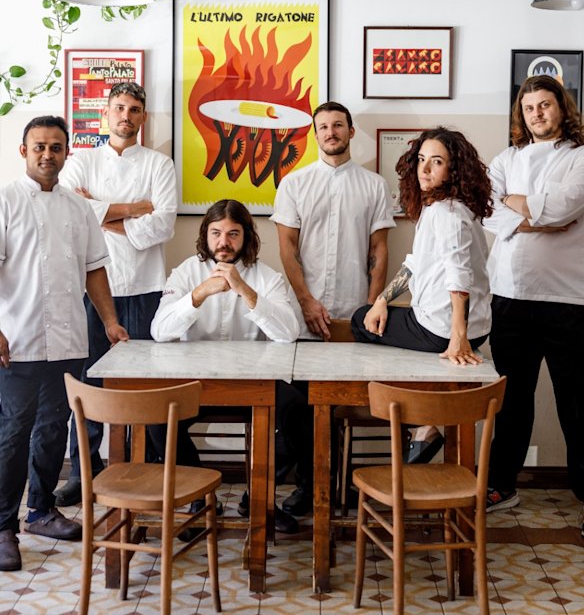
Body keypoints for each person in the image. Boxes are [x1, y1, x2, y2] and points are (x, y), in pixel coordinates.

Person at [0, 116, 128, 572]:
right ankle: (3, 526)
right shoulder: (6, 200)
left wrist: (110, 322)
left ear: (67, 153)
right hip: (17, 339)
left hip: (69, 339)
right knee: (13, 432)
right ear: (24, 151)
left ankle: (40, 511)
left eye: (56, 147)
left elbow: (95, 269)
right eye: (39, 146)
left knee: (55, 427)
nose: (47, 154)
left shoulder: (78, 207)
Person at [54, 82, 177, 508]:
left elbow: (163, 226)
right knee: (87, 382)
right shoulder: (81, 161)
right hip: (89, 288)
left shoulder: (160, 164)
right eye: (120, 107)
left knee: (148, 385)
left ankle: (156, 469)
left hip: (145, 287)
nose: (127, 115)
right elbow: (71, 212)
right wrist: (134, 208)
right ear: (106, 114)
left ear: (144, 117)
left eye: (135, 109)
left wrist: (99, 211)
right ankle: (83, 472)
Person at [271, 101, 395, 515]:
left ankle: (341, 489)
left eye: (338, 125)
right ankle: (311, 488)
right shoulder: (294, 183)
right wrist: (306, 301)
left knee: (344, 401)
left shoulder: (374, 185)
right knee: (303, 407)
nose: (330, 132)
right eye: (322, 126)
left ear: (350, 131)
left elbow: (379, 250)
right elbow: (286, 248)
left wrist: (371, 306)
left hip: (353, 315)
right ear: (314, 134)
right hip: (304, 314)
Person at [150, 197, 302, 534]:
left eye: (233, 234)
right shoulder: (186, 272)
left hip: (254, 385)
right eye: (216, 233)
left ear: (246, 237)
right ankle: (200, 497)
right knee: (157, 416)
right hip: (196, 384)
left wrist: (244, 289)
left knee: (298, 412)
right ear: (205, 235)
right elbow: (159, 331)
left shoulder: (267, 277)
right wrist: (199, 294)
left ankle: (258, 497)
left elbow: (288, 333)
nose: (224, 242)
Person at [352, 127, 493, 457]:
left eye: (437, 161)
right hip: (471, 326)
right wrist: (382, 300)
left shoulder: (447, 213)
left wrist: (458, 339)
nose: (425, 169)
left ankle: (422, 425)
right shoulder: (446, 208)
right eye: (421, 159)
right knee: (375, 316)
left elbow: (459, 276)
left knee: (360, 321)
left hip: (442, 329)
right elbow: (415, 264)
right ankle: (424, 423)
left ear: (454, 169)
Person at [484, 75, 584, 515]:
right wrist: (539, 216)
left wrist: (517, 206)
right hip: (509, 296)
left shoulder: (580, 157)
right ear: (520, 115)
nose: (537, 114)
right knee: (510, 401)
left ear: (562, 107)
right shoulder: (506, 159)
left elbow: (564, 208)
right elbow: (487, 209)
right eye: (529, 108)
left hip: (569, 300)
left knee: (577, 404)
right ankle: (502, 485)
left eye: (545, 105)